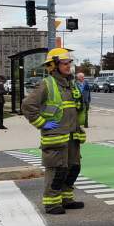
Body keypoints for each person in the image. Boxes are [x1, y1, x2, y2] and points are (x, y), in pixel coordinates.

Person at [23, 48, 86, 215]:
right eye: (64, 63)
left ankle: (66, 199)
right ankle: (52, 204)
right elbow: (28, 105)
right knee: (57, 170)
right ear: (53, 66)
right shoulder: (47, 84)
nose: (68, 66)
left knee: (73, 168)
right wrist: (42, 123)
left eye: (69, 63)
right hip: (56, 137)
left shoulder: (69, 83)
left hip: (72, 136)